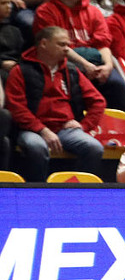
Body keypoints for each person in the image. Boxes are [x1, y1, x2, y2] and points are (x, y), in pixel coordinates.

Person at [5, 26, 105, 180]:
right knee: (36, 147)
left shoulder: (71, 70)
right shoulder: (20, 71)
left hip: (65, 129)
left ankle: (76, 189)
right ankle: (38, 190)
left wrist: (84, 125)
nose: (67, 49)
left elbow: (98, 101)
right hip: (31, 129)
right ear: (44, 44)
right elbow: (16, 107)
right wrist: (42, 130)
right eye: (61, 44)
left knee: (94, 147)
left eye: (68, 45)